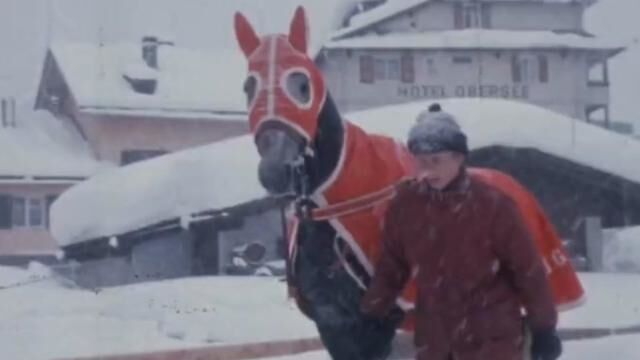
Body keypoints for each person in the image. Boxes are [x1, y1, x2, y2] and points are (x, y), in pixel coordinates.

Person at [360, 104, 563, 360]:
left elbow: (528, 271)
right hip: (435, 341)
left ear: (458, 157)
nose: (427, 169)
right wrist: (372, 315)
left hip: (492, 341)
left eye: (436, 160)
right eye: (420, 161)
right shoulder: (405, 206)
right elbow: (391, 266)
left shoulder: (493, 204)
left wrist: (544, 329)